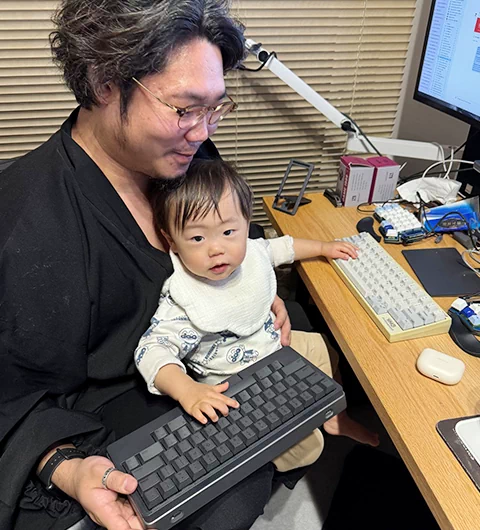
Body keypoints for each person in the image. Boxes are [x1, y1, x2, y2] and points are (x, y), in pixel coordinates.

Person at [0, 1, 295, 529]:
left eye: (215, 109)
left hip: (197, 367)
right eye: (185, 109)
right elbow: (12, 397)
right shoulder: (27, 222)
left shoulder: (184, 160)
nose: (203, 132)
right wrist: (64, 468)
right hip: (92, 419)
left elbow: (227, 238)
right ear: (105, 82)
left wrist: (248, 288)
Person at [136, 158, 379, 473]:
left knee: (323, 348)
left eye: (228, 231)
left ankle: (336, 417)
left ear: (245, 223)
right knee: (309, 449)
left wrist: (322, 246)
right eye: (197, 238)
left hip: (274, 350)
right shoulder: (184, 300)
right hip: (235, 385)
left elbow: (283, 247)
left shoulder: (251, 252)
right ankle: (258, 450)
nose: (216, 249)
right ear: (171, 240)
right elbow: (151, 351)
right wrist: (187, 389)